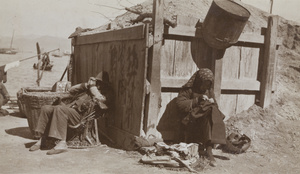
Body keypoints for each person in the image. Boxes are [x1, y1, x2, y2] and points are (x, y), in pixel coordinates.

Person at [29, 71, 114, 155]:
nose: (98, 84)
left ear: (105, 84)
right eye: (97, 82)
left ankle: (62, 143)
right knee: (46, 108)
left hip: (80, 116)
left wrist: (93, 87)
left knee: (60, 109)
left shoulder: (106, 92)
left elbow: (102, 99)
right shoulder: (88, 88)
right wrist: (86, 85)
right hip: (71, 110)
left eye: (100, 82)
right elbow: (71, 90)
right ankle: (43, 138)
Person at [176, 68, 226, 167]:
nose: (206, 87)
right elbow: (180, 104)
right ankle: (209, 150)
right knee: (209, 112)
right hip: (190, 120)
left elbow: (214, 106)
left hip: (203, 119)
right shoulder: (188, 89)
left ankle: (208, 150)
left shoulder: (209, 90)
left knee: (211, 112)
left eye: (209, 84)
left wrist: (212, 103)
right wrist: (197, 100)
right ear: (199, 81)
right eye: (204, 84)